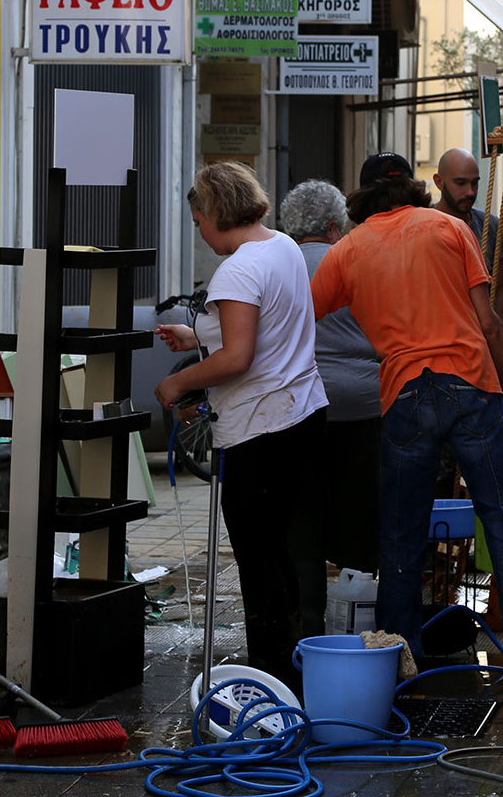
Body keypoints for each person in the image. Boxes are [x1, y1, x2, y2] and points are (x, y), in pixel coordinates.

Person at [309, 152, 503, 684]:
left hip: (404, 396)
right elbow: (491, 323)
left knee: (401, 536)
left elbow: (300, 318)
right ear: (413, 186)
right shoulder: (450, 229)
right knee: (501, 520)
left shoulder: (347, 250)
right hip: (472, 387)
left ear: (360, 194)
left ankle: (400, 661)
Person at [154, 162, 327, 684]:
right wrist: (196, 336)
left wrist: (178, 384)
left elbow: (238, 358)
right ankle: (291, 673)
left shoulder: (237, 270)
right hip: (302, 415)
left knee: (258, 561)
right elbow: (262, 329)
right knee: (282, 554)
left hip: (260, 429)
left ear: (214, 213)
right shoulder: (283, 247)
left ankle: (272, 681)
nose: (200, 233)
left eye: (197, 220)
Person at [278, 179, 383, 638]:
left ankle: (308, 625)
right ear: (331, 224)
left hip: (299, 407)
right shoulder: (358, 259)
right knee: (358, 518)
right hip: (363, 406)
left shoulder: (279, 264)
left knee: (303, 518)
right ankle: (359, 630)